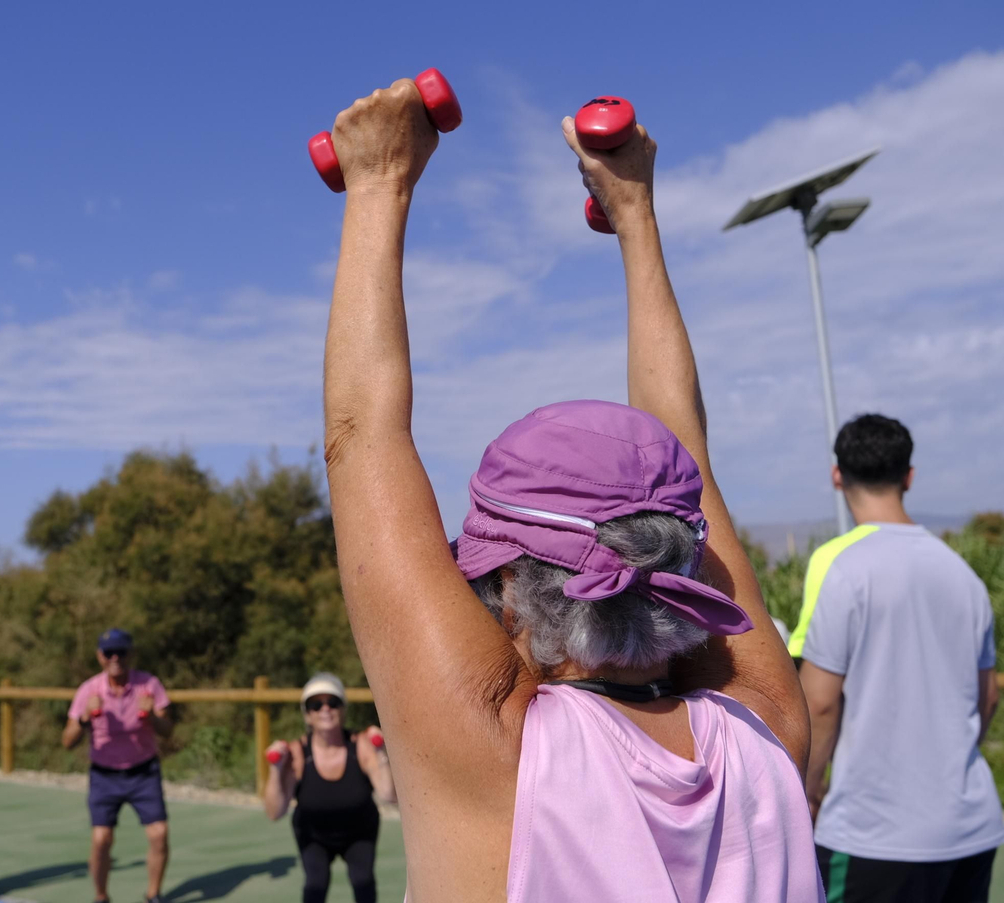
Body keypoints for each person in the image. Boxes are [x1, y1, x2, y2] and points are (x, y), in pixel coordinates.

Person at [318, 79, 821, 901]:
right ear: (683, 567)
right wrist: (635, 216)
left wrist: (378, 182)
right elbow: (684, 440)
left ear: (512, 589)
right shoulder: (771, 726)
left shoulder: (492, 749)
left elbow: (359, 433)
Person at [791, 414, 1004, 902]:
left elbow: (820, 704)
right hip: (970, 828)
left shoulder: (842, 568)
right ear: (909, 476)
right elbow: (988, 696)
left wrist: (807, 794)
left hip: (873, 834)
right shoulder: (964, 577)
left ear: (837, 475)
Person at [62, 628, 173, 903]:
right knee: (101, 840)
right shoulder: (89, 690)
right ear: (100, 656)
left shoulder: (149, 685)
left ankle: (153, 895)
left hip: (143, 772)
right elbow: (67, 741)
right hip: (104, 775)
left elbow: (168, 730)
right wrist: (85, 718)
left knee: (159, 835)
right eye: (109, 653)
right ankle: (101, 896)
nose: (115, 658)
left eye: (121, 652)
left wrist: (151, 717)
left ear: (130, 654)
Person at [263, 672, 395, 903]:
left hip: (359, 831)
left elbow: (388, 795)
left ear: (342, 709)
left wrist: (382, 751)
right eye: (316, 705)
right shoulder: (296, 753)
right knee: (315, 884)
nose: (325, 709)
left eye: (332, 702)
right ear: (307, 715)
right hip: (313, 834)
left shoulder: (361, 745)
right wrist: (275, 769)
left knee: (363, 881)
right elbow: (275, 812)